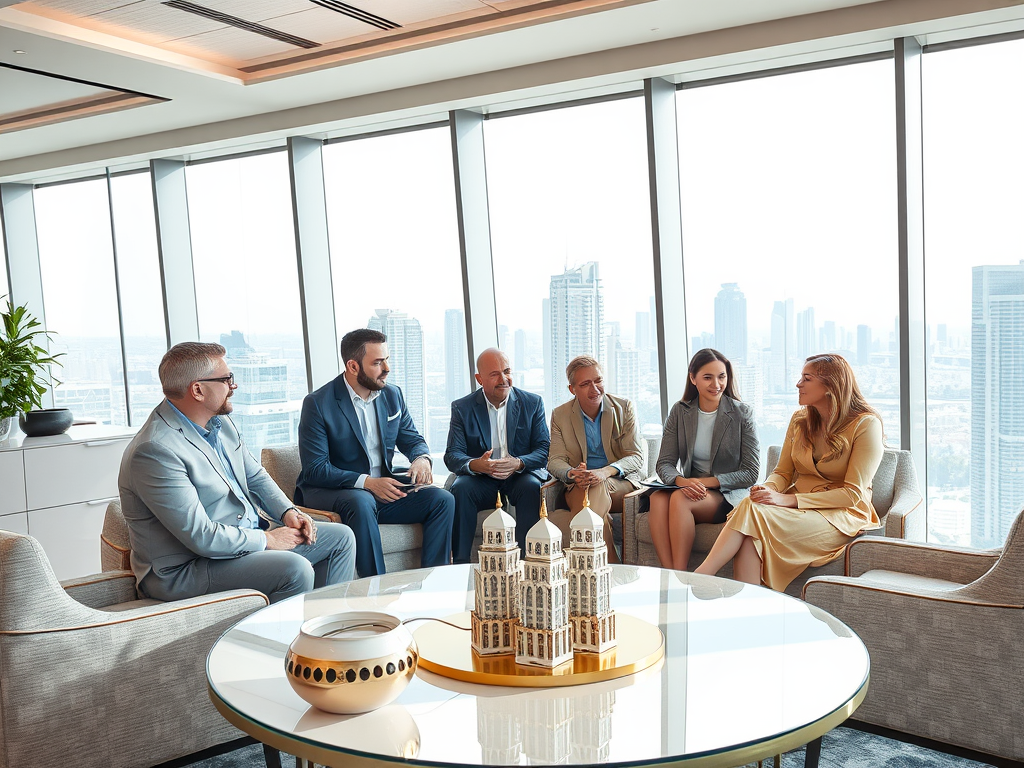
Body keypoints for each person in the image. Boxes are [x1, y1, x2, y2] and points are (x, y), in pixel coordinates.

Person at [118, 342, 357, 604]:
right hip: (186, 569)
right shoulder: (155, 450)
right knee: (293, 568)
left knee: (340, 538)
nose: (234, 386)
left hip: (236, 545)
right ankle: (285, 642)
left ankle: (324, 631)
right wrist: (267, 540)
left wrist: (289, 513)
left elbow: (255, 476)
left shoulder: (220, 423)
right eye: (226, 379)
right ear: (198, 390)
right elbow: (201, 537)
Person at [696, 353, 884, 591]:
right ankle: (744, 612)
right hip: (799, 510)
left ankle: (700, 578)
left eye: (806, 378)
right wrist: (768, 488)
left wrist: (788, 499)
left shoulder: (866, 424)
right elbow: (782, 473)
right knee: (750, 523)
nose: (798, 384)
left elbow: (852, 495)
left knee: (750, 515)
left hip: (840, 515)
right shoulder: (800, 420)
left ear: (830, 386)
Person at [295, 329, 454, 577]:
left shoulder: (393, 395)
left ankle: (433, 581)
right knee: (362, 499)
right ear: (353, 366)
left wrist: (421, 459)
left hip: (381, 492)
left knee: (442, 500)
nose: (387, 368)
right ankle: (375, 588)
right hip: (335, 492)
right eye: (378, 362)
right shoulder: (318, 403)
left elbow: (411, 438)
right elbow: (316, 469)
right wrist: (367, 483)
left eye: (387, 359)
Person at [647, 348, 759, 571]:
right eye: (707, 377)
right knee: (658, 499)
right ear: (693, 378)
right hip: (688, 487)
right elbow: (664, 463)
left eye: (721, 376)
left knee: (679, 499)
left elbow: (751, 472)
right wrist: (682, 481)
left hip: (724, 494)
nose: (716, 384)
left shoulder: (741, 413)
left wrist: (702, 483)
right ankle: (672, 575)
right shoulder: (680, 411)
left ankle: (681, 574)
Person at [444, 348, 549, 562]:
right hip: (482, 478)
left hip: (519, 474)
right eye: (494, 374)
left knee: (531, 486)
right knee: (461, 489)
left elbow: (543, 449)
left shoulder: (532, 403)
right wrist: (476, 465)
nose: (504, 379)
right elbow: (452, 455)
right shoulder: (462, 408)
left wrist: (518, 463)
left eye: (507, 371)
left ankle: (526, 563)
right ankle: (461, 563)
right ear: (479, 379)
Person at [547, 355, 644, 563]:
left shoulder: (624, 407)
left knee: (598, 486)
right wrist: (572, 473)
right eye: (585, 384)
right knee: (591, 490)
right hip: (579, 485)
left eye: (598, 380)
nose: (595, 388)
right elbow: (554, 460)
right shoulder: (560, 415)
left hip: (618, 484)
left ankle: (593, 565)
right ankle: (609, 568)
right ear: (572, 389)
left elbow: (636, 456)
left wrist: (604, 472)